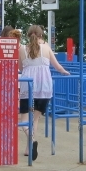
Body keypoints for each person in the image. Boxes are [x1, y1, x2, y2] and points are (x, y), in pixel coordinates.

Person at [19, 25, 71, 161]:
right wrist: (65, 72)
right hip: (44, 87)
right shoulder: (47, 48)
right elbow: (58, 66)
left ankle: (32, 141)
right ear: (42, 35)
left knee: (24, 120)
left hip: (28, 86)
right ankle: (29, 147)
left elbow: (20, 67)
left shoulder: (22, 49)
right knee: (35, 119)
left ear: (28, 35)